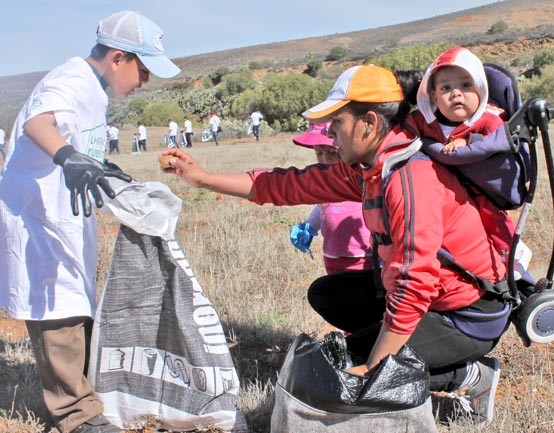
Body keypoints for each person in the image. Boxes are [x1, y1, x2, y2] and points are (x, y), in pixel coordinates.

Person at [162, 65, 507, 427]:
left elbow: (415, 284)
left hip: (466, 313)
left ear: (369, 123)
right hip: (435, 298)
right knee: (328, 295)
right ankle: (403, 352)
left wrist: (374, 370)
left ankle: (469, 375)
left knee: (345, 363)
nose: (328, 133)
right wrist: (202, 179)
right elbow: (286, 186)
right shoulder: (374, 166)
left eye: (336, 122)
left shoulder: (409, 177)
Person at [0, 10, 179, 433]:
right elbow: (38, 123)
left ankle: (83, 390)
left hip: (63, 212)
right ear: (118, 57)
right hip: (38, 214)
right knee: (57, 305)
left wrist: (98, 165)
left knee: (77, 301)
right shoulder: (72, 79)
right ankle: (75, 413)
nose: (144, 81)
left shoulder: (93, 91)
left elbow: (75, 141)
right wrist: (67, 157)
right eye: (143, 69)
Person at [410, 46, 515, 257]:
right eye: (445, 88)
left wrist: (467, 140)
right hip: (441, 193)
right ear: (433, 95)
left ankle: (509, 257)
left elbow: (498, 142)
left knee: (492, 218)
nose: (456, 93)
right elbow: (404, 130)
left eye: (466, 85)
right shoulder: (425, 122)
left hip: (480, 189)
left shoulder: (488, 119)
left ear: (480, 89)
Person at [289, 122, 373, 275]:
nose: (325, 160)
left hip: (364, 257)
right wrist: (309, 226)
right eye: (319, 153)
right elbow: (323, 206)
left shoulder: (360, 180)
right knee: (337, 296)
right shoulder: (325, 183)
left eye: (333, 153)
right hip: (332, 255)